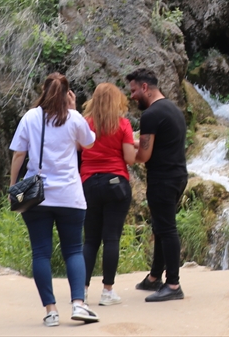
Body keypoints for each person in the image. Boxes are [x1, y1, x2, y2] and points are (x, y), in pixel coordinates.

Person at [8, 72, 100, 327]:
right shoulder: (74, 118)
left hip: (36, 197)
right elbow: (89, 143)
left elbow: (18, 155)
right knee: (73, 250)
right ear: (67, 94)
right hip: (70, 196)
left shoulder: (30, 117)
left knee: (41, 253)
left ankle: (50, 311)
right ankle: (79, 304)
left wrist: (13, 186)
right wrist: (73, 109)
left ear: (43, 90)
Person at [126, 68, 187, 302]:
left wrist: (124, 151)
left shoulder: (150, 115)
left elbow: (144, 156)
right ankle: (154, 278)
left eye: (133, 91)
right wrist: (132, 142)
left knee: (167, 229)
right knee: (161, 227)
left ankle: (173, 285)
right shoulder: (172, 109)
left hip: (163, 178)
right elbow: (157, 143)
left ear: (144, 88)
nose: (131, 96)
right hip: (178, 175)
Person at [80, 82, 137, 307]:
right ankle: (107, 292)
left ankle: (82, 292)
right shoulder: (123, 125)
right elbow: (130, 158)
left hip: (88, 184)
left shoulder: (85, 124)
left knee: (90, 240)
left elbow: (77, 148)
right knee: (111, 238)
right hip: (116, 184)